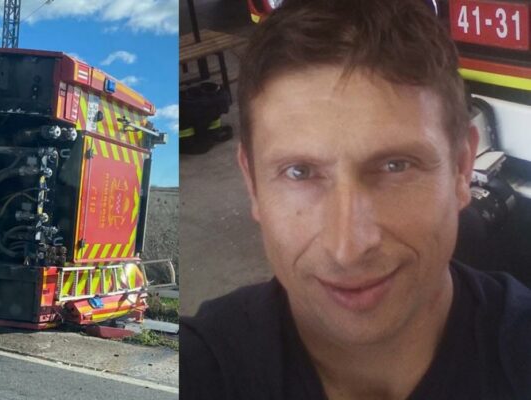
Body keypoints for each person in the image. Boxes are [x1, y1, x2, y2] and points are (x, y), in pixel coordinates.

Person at [179, 0, 531, 399]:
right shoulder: (201, 365)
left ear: (462, 169)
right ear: (253, 184)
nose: (347, 249)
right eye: (300, 172)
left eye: (396, 166)